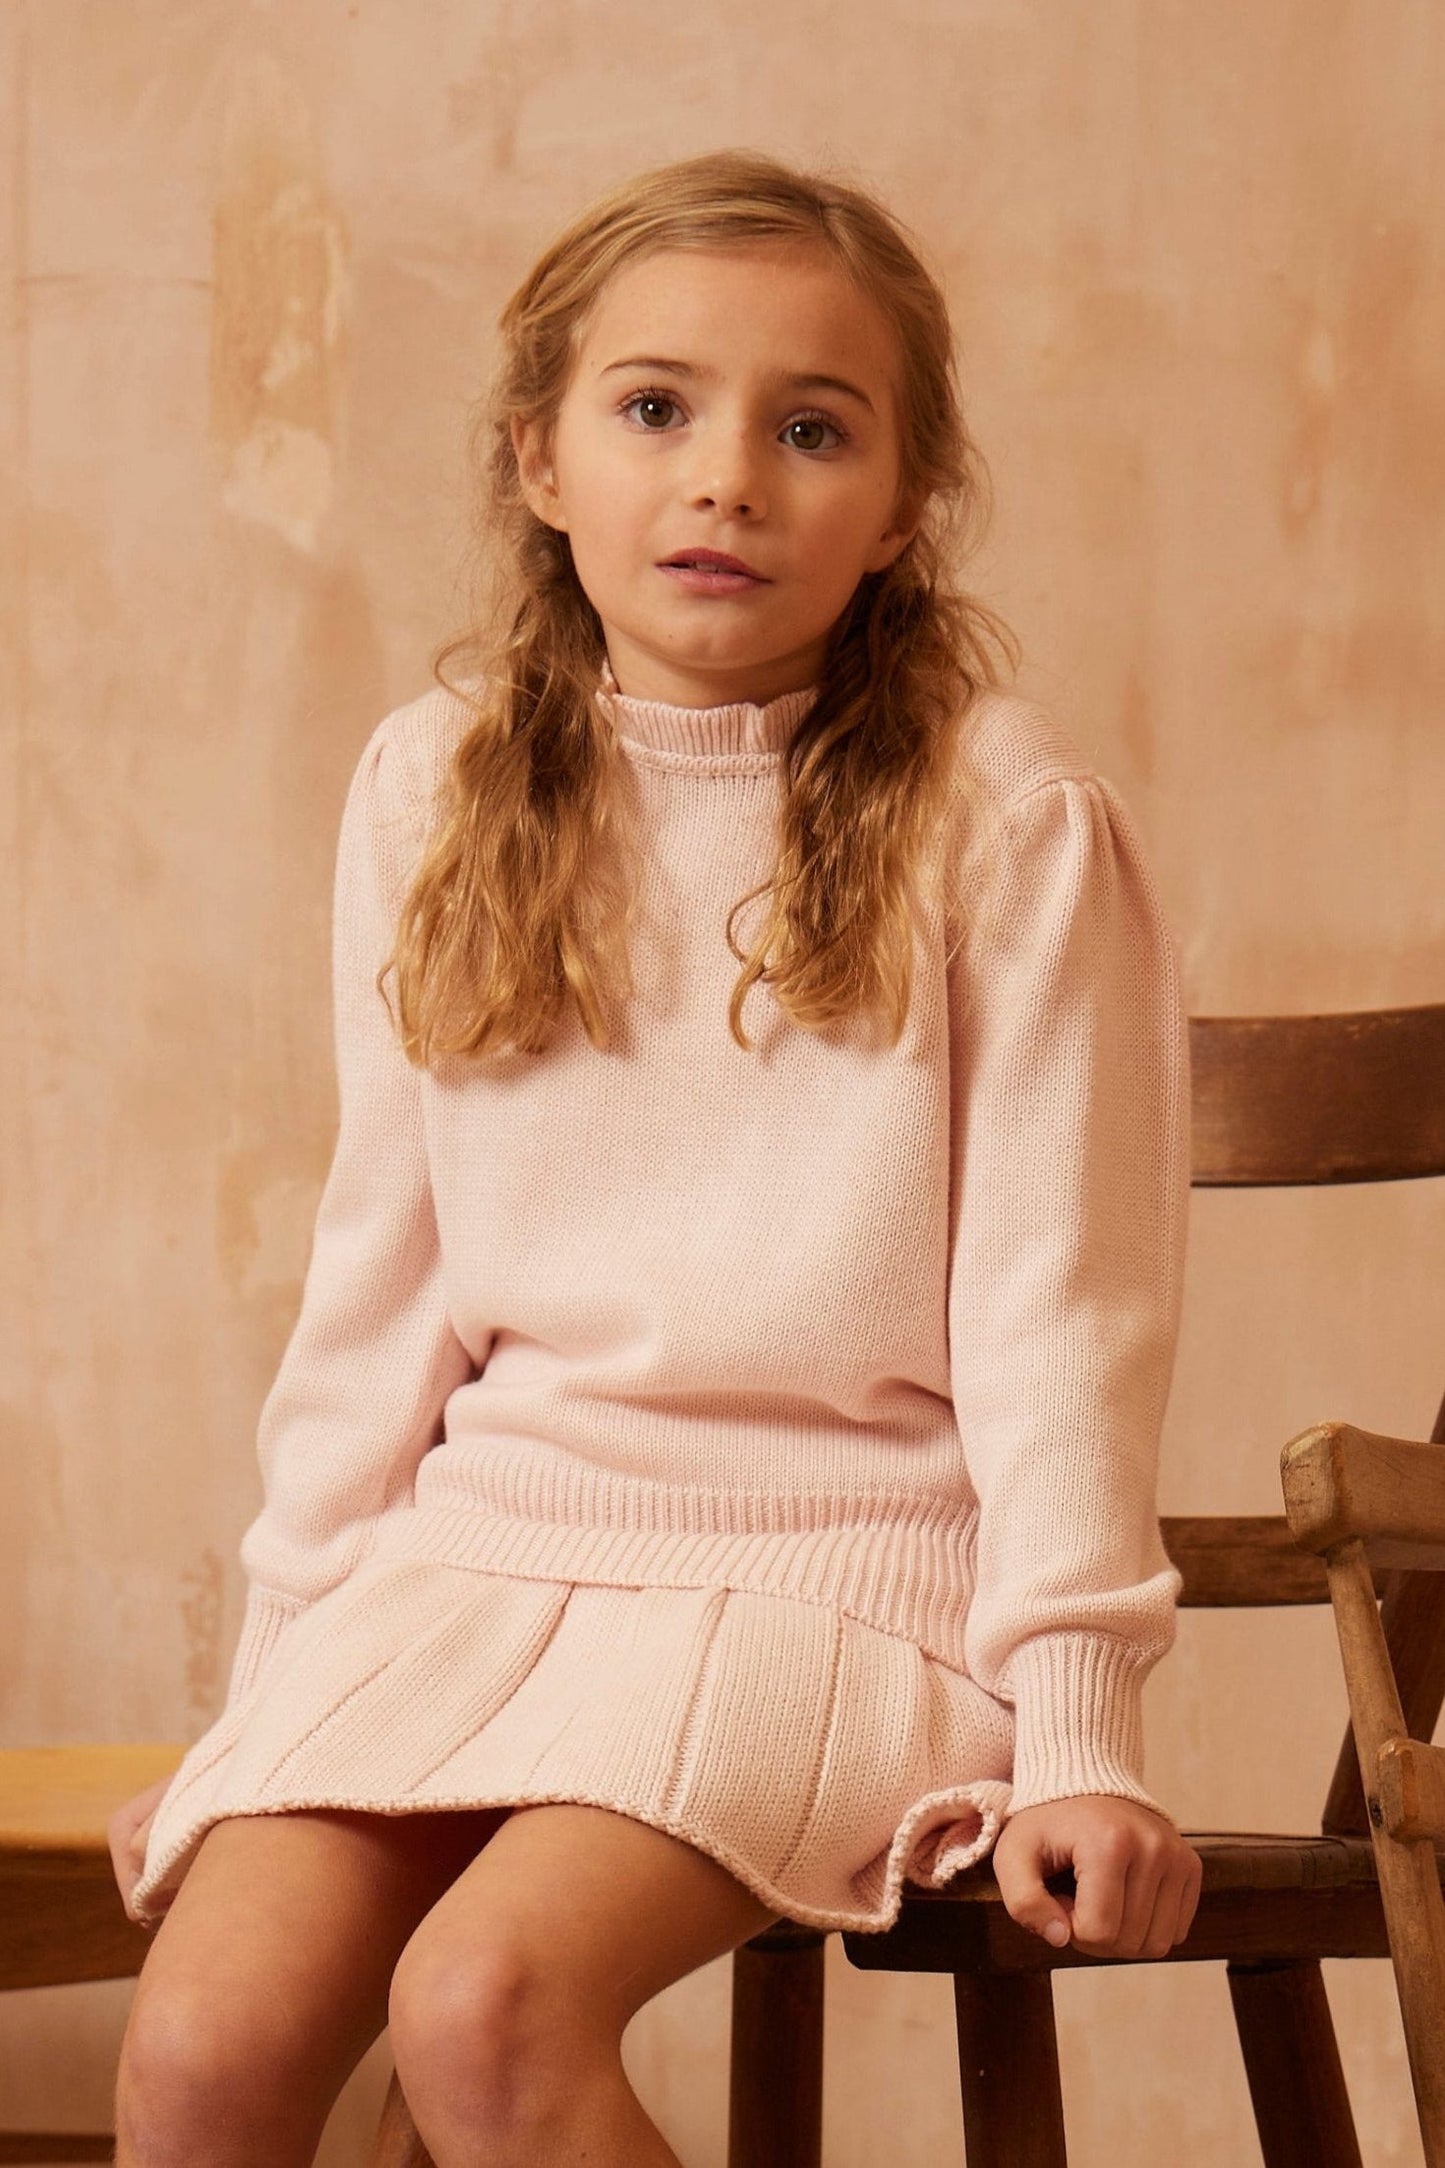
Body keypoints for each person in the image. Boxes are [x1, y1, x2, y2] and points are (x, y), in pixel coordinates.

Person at [106, 146, 1203, 2167]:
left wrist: (1079, 1732)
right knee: (196, 2050)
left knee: (482, 2006)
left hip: (834, 1573)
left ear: (906, 506)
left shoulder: (1008, 818)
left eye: (813, 429)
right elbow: (379, 1289)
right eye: (653, 408)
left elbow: (1062, 1321)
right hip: (474, 1562)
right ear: (539, 456)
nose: (727, 480)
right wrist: (275, 1696)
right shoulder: (430, 790)